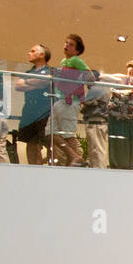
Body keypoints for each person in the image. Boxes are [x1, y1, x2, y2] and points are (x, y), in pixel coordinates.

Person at [50, 33, 87, 167]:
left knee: (68, 134)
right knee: (50, 132)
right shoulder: (63, 62)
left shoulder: (76, 60)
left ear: (77, 50)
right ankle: (73, 157)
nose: (67, 46)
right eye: (66, 43)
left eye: (71, 45)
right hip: (60, 100)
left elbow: (89, 75)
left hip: (71, 102)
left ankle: (73, 162)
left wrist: (73, 89)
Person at [14, 44, 53, 165]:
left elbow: (44, 81)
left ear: (42, 55)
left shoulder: (50, 71)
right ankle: (33, 167)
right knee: (30, 141)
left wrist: (29, 82)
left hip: (44, 111)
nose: (29, 53)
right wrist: (36, 82)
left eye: (33, 51)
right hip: (29, 112)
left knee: (48, 141)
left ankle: (49, 164)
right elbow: (18, 85)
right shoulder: (28, 71)